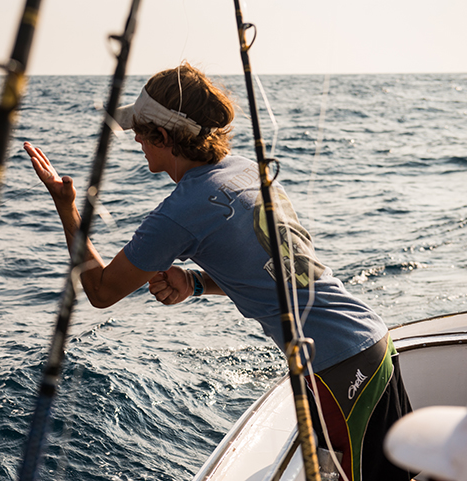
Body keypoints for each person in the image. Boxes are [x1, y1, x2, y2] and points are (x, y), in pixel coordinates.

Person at [24, 62, 412, 481]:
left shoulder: (180, 212)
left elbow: (100, 291)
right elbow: (283, 273)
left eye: (140, 129)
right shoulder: (249, 170)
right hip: (371, 341)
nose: (135, 138)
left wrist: (66, 207)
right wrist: (193, 284)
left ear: (164, 136)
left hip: (337, 369)